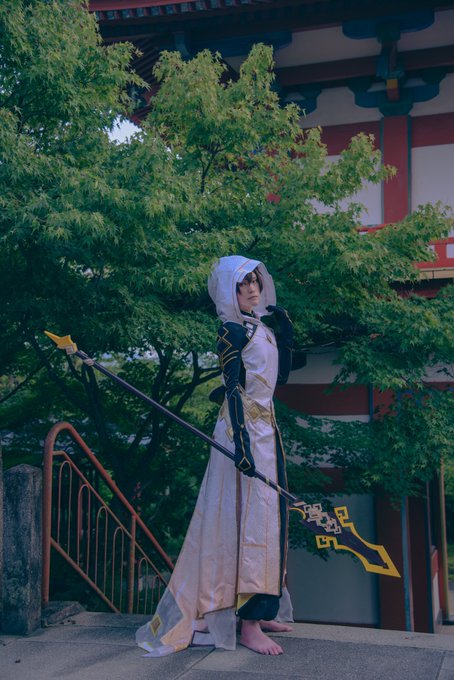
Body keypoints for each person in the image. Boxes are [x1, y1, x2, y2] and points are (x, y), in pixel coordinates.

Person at [136, 255, 294, 657]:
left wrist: (287, 335)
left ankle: (264, 608)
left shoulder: (261, 328)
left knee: (271, 518)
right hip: (242, 432)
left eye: (255, 281)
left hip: (267, 430)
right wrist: (241, 444)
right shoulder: (231, 330)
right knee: (248, 522)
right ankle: (247, 623)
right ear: (229, 291)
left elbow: (279, 379)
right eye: (243, 284)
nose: (253, 289)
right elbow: (233, 389)